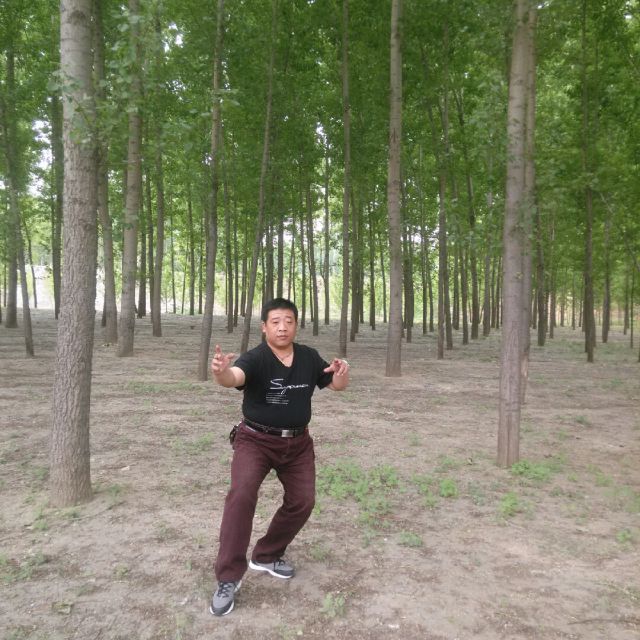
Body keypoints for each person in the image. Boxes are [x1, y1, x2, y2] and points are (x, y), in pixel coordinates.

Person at [209, 298, 349, 616]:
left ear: (296, 325)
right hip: (255, 441)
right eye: (275, 321)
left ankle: (267, 554)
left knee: (303, 501)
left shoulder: (309, 357)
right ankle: (228, 576)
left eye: (288, 321)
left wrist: (342, 372)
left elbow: (337, 384)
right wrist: (221, 373)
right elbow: (234, 377)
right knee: (241, 495)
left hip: (297, 443)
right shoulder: (256, 358)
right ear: (264, 327)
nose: (282, 327)